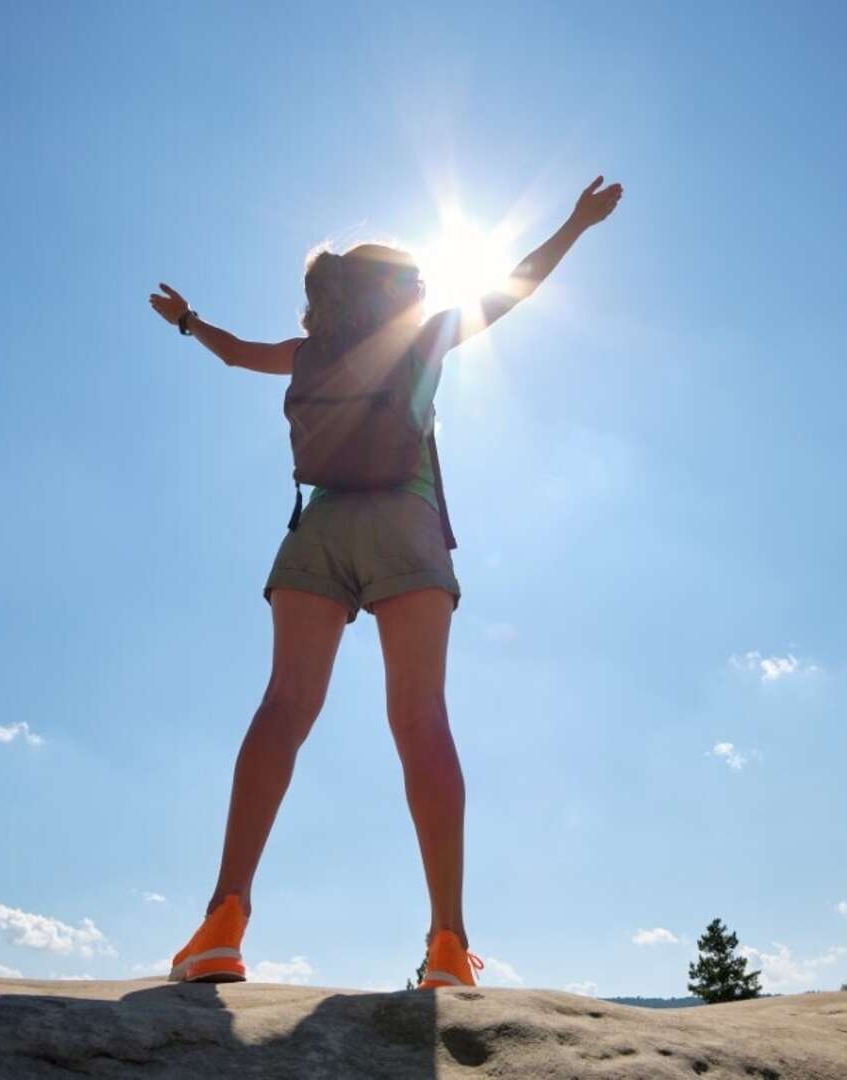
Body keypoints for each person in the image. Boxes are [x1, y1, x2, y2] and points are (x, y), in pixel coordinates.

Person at [148, 175, 623, 989]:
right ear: (395, 292)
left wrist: (188, 321)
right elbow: (518, 284)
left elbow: (233, 353)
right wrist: (575, 224)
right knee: (421, 719)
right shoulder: (426, 338)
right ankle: (447, 943)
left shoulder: (306, 354)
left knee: (283, 708)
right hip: (406, 518)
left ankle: (224, 920)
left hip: (323, 524)